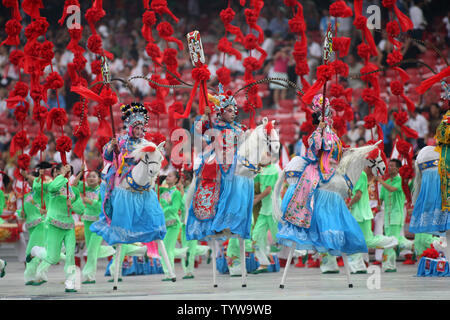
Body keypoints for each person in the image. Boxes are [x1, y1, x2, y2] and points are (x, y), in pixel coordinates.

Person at [277, 95, 367, 263]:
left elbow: (340, 151)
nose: (331, 118)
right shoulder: (315, 134)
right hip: (318, 167)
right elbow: (313, 150)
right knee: (309, 186)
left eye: (331, 115)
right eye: (328, 116)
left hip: (334, 168)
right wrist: (319, 131)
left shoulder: (334, 135)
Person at [90, 102, 167, 281]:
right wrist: (111, 148)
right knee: (109, 180)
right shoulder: (121, 141)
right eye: (137, 128)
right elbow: (108, 157)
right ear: (131, 128)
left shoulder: (147, 143)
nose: (140, 131)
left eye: (142, 127)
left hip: (142, 182)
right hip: (122, 176)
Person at [31, 163, 80, 292]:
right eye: (56, 172)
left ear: (70, 173)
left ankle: (70, 282)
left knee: (70, 255)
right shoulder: (51, 186)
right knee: (53, 259)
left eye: (61, 171)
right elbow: (51, 187)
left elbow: (81, 209)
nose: (57, 174)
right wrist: (62, 175)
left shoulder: (74, 190)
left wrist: (72, 206)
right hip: (54, 224)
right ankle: (36, 250)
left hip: (69, 226)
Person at [346, 164, 399, 273]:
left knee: (368, 240)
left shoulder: (360, 175)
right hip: (357, 213)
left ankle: (392, 241)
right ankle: (358, 266)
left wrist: (348, 205)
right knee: (355, 240)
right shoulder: (354, 176)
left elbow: (358, 195)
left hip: (361, 214)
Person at [71, 165, 115, 284]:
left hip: (99, 223)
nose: (91, 178)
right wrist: (80, 172)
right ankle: (113, 250)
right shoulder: (84, 188)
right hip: (87, 221)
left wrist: (89, 201)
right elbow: (73, 185)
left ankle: (89, 276)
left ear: (99, 179)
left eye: (93, 176)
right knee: (92, 248)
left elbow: (102, 205)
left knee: (91, 249)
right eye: (89, 176)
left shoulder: (102, 189)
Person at [377, 159, 413, 272]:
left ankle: (389, 264)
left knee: (391, 240)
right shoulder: (387, 181)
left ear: (398, 168)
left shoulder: (401, 180)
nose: (389, 167)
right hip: (387, 216)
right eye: (389, 165)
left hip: (396, 215)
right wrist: (377, 207)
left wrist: (381, 182)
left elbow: (392, 189)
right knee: (392, 239)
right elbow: (381, 198)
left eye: (392, 166)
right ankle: (412, 246)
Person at [251, 158, 280, 274]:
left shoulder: (272, 170)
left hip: (273, 208)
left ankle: (300, 251)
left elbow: (268, 189)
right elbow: (254, 180)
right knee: (256, 235)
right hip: (264, 210)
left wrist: (257, 199)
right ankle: (263, 263)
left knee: (278, 237)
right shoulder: (262, 170)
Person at [158, 170, 184, 281]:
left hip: (173, 224)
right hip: (165, 224)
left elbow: (175, 208)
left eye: (170, 176)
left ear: (176, 179)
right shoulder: (163, 192)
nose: (167, 177)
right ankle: (168, 272)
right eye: (167, 176)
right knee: (163, 249)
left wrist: (163, 209)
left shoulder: (176, 193)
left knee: (167, 249)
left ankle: (170, 273)